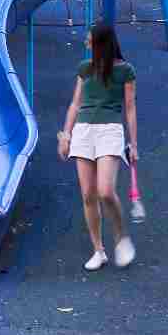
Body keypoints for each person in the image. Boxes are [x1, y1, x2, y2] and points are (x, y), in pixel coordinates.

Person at [58, 24, 139, 271]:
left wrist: (134, 144)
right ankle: (98, 250)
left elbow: (130, 108)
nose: (86, 43)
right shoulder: (85, 68)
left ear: (101, 43)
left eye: (89, 40)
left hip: (110, 130)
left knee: (105, 191)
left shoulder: (125, 70)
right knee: (88, 194)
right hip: (83, 130)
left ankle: (121, 237)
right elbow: (75, 104)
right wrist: (66, 135)